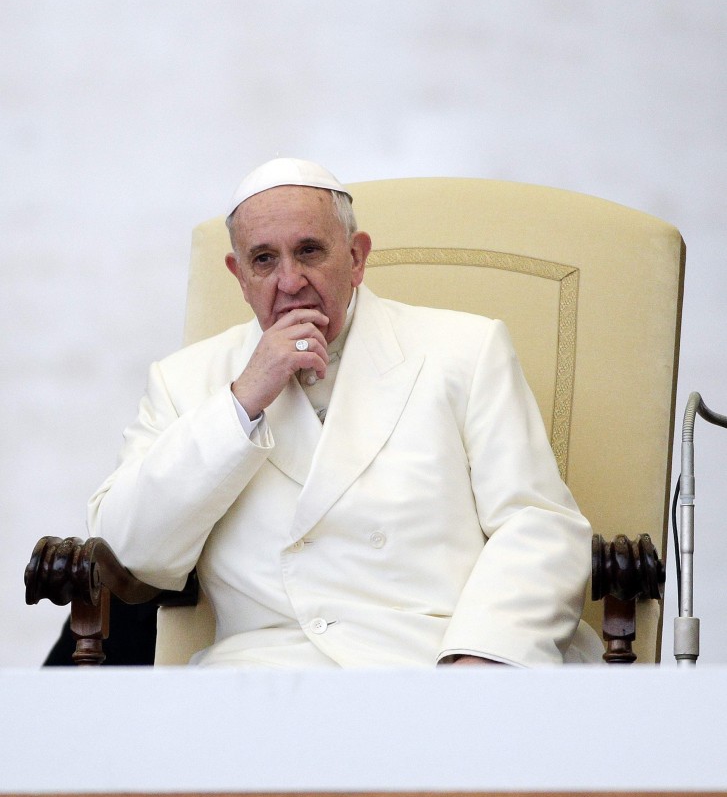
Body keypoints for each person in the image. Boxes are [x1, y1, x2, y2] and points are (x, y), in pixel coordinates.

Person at [87, 158, 595, 669]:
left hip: (431, 662)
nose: (289, 281)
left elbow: (537, 524)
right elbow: (128, 551)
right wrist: (241, 402)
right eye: (264, 260)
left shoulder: (465, 349)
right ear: (238, 276)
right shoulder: (184, 381)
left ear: (356, 258)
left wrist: (482, 656)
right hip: (262, 677)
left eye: (309, 251)